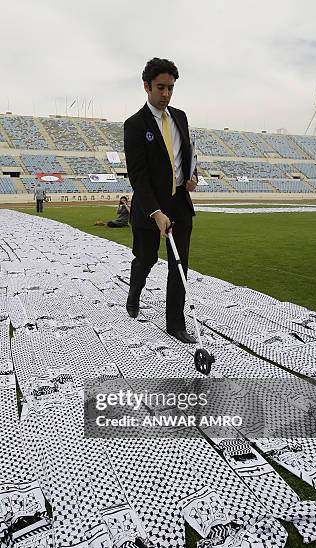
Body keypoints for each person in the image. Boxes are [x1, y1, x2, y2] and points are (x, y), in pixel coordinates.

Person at [124, 57, 198, 343]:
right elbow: (138, 175)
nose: (166, 94)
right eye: (160, 87)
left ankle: (175, 323)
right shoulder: (134, 124)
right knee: (147, 258)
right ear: (146, 86)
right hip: (148, 206)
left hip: (179, 202)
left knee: (179, 265)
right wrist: (155, 212)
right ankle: (135, 290)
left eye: (171, 88)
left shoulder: (180, 117)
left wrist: (192, 177)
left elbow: (184, 157)